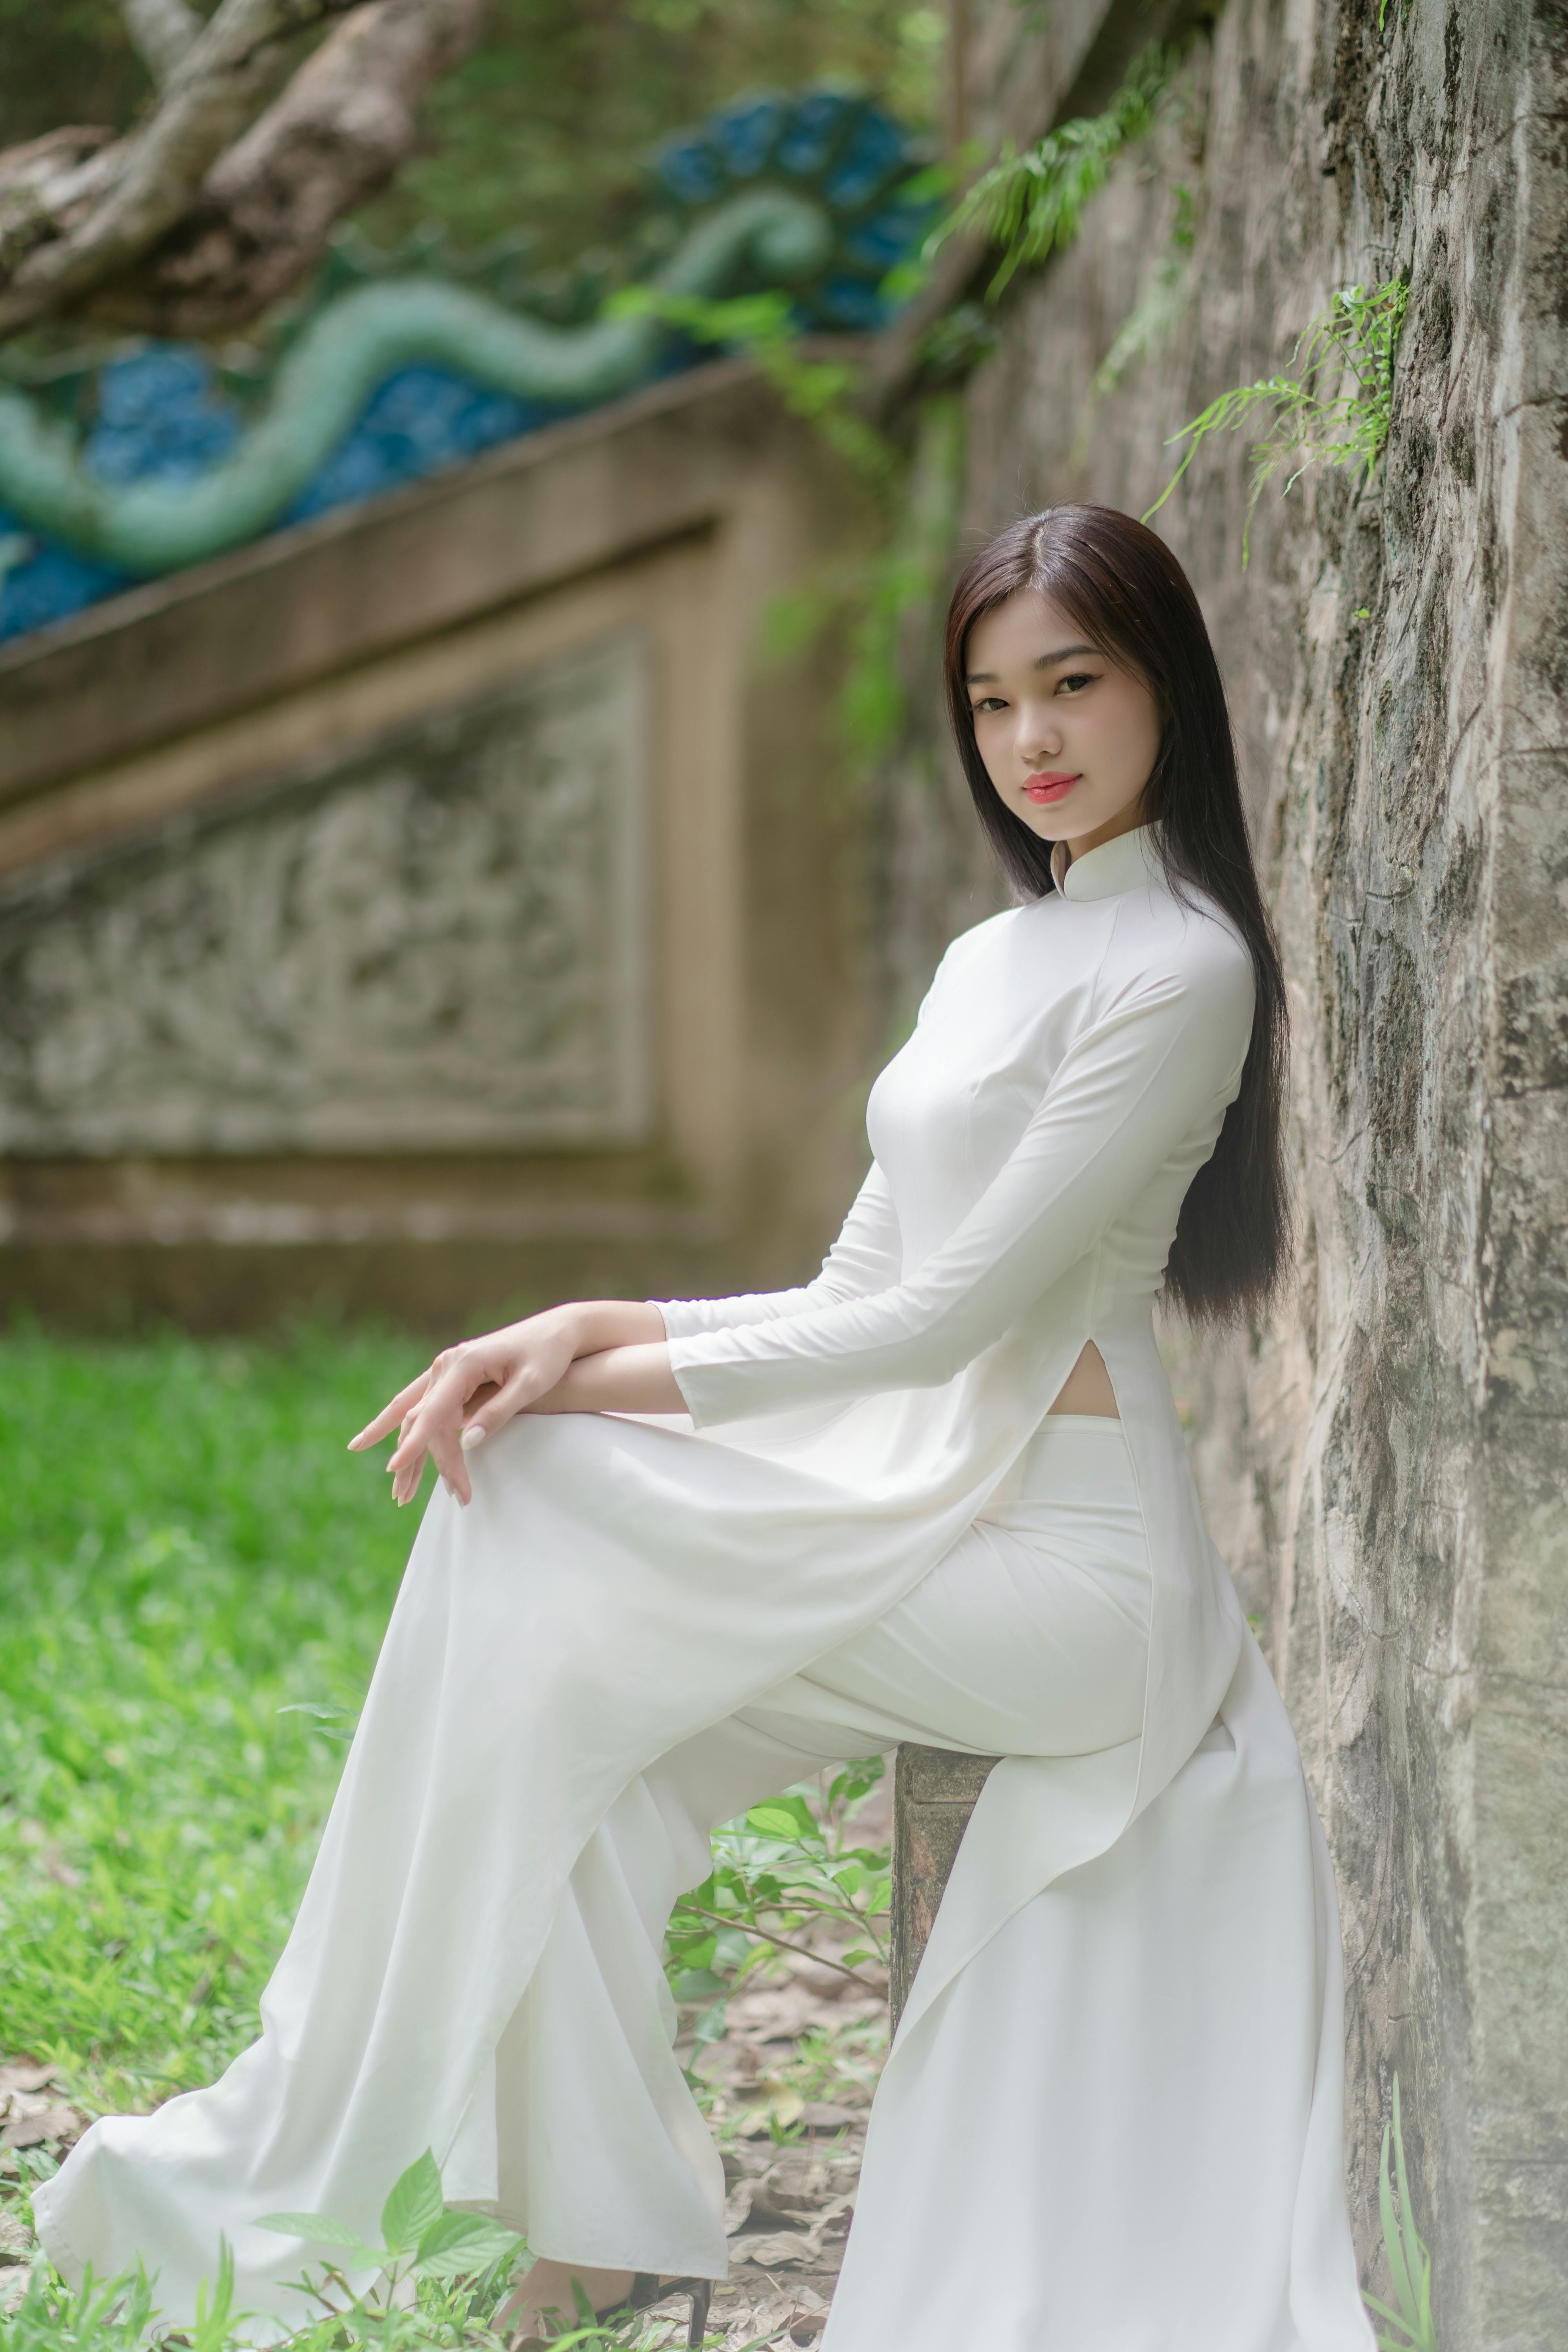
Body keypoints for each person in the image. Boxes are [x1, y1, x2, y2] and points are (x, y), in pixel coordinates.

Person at [34, 506, 1376, 2350]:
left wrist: (587, 1370)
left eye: (1074, 685)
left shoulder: (1184, 970)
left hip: (1075, 1588)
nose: (1032, 739)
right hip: (926, 1523)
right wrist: (601, 1319)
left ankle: (322, 2117)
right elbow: (854, 1280)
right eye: (990, 703)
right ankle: (599, 2229)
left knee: (548, 1490)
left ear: (1166, 691)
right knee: (572, 1728)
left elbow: (946, 1319)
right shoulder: (999, 960)